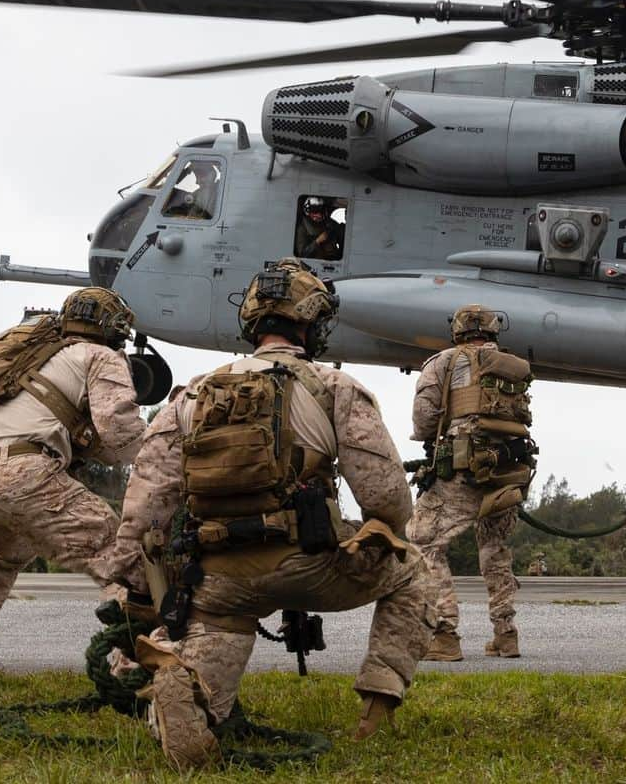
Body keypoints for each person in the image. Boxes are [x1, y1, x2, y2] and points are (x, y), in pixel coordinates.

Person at [97, 258, 435, 768]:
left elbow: (145, 510)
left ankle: (184, 695)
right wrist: (374, 532)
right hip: (313, 565)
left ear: (251, 324)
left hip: (218, 581)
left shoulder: (190, 395)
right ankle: (378, 703)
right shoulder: (334, 388)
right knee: (414, 571)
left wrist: (144, 592)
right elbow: (386, 499)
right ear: (312, 323)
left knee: (212, 675)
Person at [0, 288, 144, 680]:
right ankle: (130, 668)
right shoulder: (101, 357)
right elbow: (121, 436)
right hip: (21, 474)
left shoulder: (37, 358)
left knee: (6, 553)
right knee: (122, 557)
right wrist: (167, 453)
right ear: (114, 329)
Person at [407, 304, 537, 662]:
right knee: (494, 548)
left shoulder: (443, 362)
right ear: (494, 331)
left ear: (457, 332)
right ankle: (506, 635)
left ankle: (444, 635)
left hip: (462, 469)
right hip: (508, 469)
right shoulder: (511, 366)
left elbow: (423, 419)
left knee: (424, 542)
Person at [294, 196, 344, 261]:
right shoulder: (303, 229)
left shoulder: (329, 223)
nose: (319, 215)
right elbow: (302, 254)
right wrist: (317, 241)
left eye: (321, 210)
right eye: (315, 211)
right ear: (308, 211)